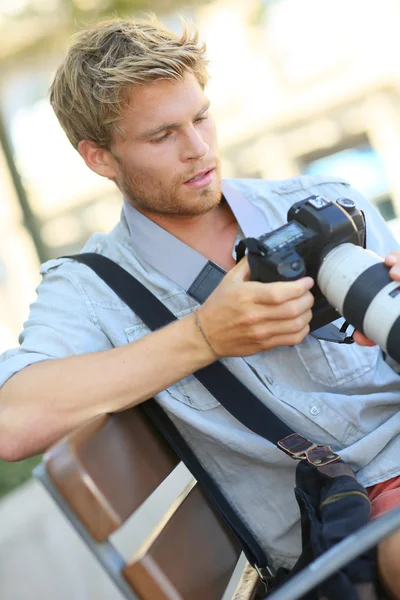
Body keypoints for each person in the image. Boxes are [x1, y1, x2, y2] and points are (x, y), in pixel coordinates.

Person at [1, 15, 400, 596]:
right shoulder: (92, 289)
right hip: (359, 517)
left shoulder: (328, 202)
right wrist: (205, 336)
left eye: (202, 117)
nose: (199, 150)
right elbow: (11, 420)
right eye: (162, 136)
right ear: (99, 158)